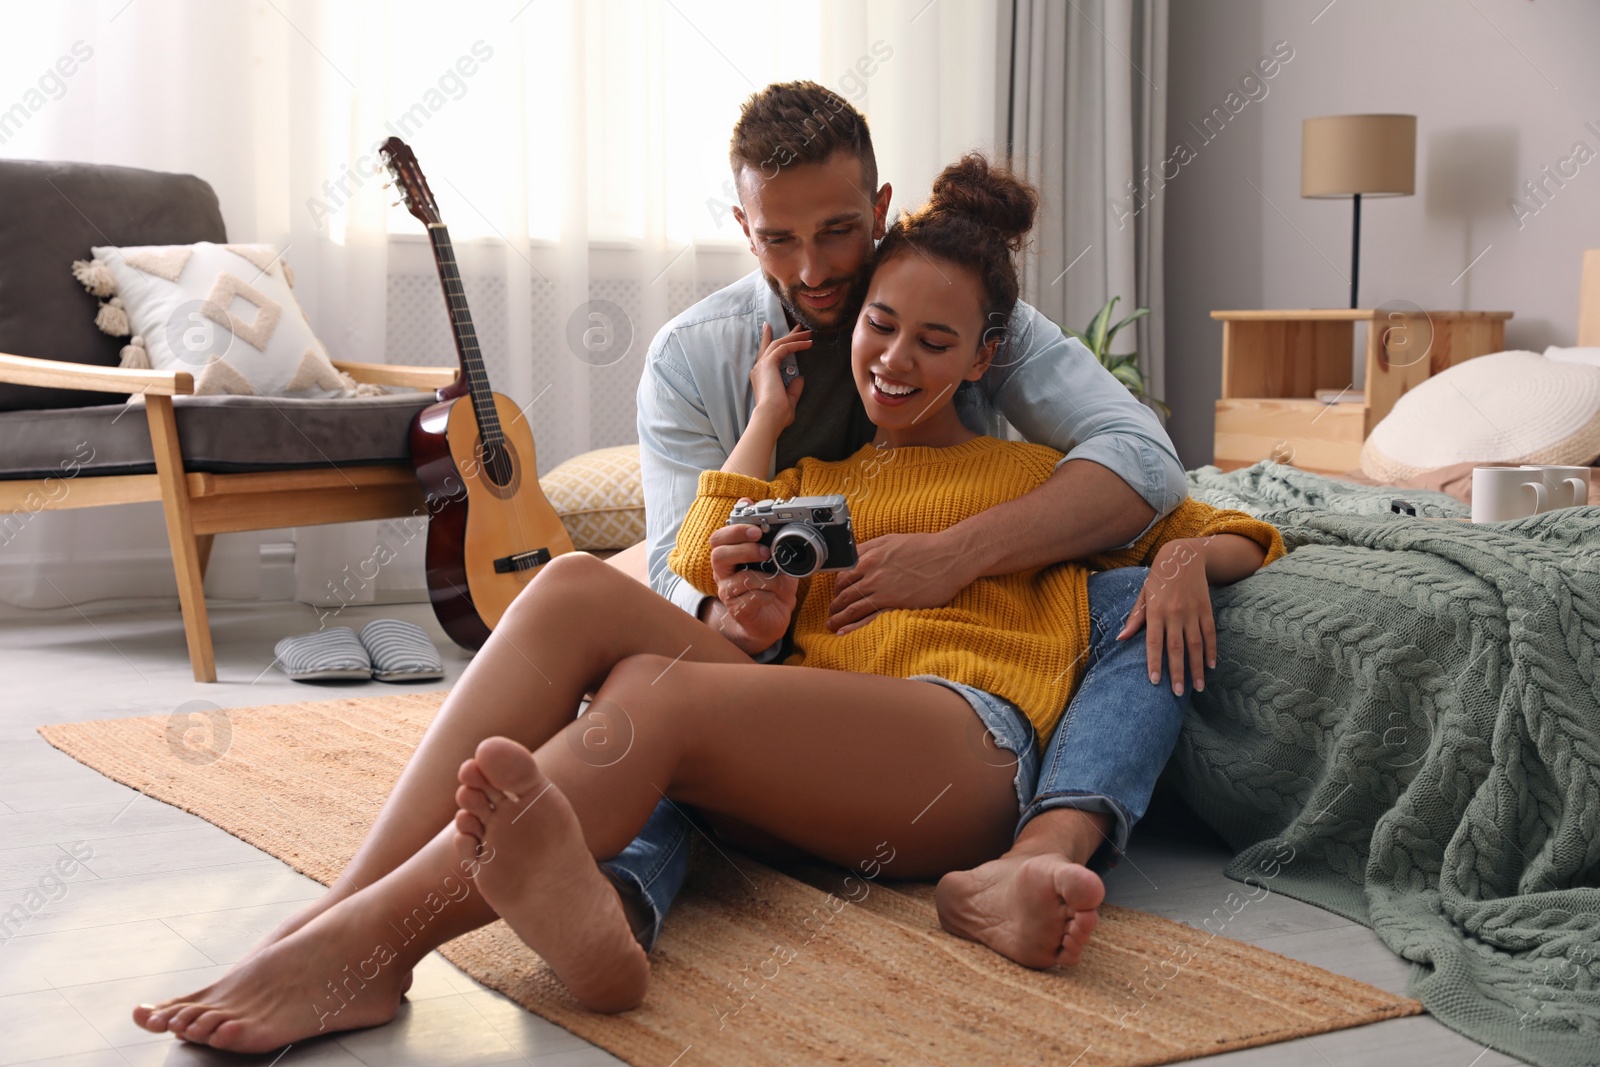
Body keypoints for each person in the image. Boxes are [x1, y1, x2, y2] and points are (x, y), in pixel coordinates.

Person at [130, 152, 1285, 1054]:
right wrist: (766, 440)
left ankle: (363, 955)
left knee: (660, 699)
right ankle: (344, 909)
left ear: (984, 359)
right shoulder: (809, 484)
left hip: (958, 749)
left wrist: (1185, 562)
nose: (894, 359)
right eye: (881, 326)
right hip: (810, 742)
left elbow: (1222, 515)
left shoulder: (1036, 476)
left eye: (935, 342)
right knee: (581, 588)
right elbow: (692, 547)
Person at [618, 80, 1195, 969]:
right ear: (741, 226)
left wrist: (958, 554)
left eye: (838, 231)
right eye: (778, 238)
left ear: (881, 209)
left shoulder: (960, 295)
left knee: (1125, 595)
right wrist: (731, 616)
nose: (812, 270)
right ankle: (612, 893)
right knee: (612, 633)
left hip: (940, 691)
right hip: (780, 641)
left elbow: (1151, 469)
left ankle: (1048, 843)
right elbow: (678, 569)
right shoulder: (699, 358)